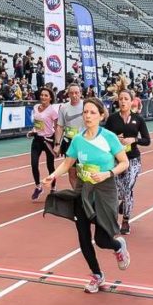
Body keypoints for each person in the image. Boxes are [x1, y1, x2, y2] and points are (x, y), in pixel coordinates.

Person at [43, 98, 130, 293]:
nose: (88, 116)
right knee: (83, 236)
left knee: (101, 239)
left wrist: (107, 174)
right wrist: (52, 175)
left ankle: (117, 245)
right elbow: (68, 163)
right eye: (85, 112)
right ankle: (97, 275)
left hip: (105, 189)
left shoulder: (109, 137)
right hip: (84, 190)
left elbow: (124, 163)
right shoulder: (78, 139)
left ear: (101, 115)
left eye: (92, 112)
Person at [103, 90, 150, 235]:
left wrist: (134, 139)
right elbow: (104, 138)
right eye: (121, 99)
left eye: (126, 99)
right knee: (118, 191)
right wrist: (114, 139)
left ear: (131, 102)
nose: (123, 102)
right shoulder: (112, 119)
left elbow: (147, 140)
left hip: (132, 159)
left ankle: (125, 220)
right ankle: (120, 206)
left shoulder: (138, 119)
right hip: (116, 160)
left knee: (127, 189)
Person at [28, 87, 59, 201]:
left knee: (50, 165)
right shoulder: (36, 107)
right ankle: (38, 186)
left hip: (48, 140)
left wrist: (57, 143)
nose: (43, 97)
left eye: (46, 95)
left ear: (50, 98)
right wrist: (33, 131)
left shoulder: (52, 111)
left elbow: (56, 127)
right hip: (37, 139)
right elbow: (37, 124)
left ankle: (54, 186)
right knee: (34, 163)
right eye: (42, 95)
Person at [53, 84, 85, 186]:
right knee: (71, 173)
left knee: (84, 173)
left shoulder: (86, 105)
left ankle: (86, 197)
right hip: (69, 143)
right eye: (71, 93)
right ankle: (77, 197)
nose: (74, 95)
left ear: (80, 93)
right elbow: (59, 127)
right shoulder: (63, 108)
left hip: (84, 143)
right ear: (68, 94)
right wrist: (57, 144)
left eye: (76, 93)